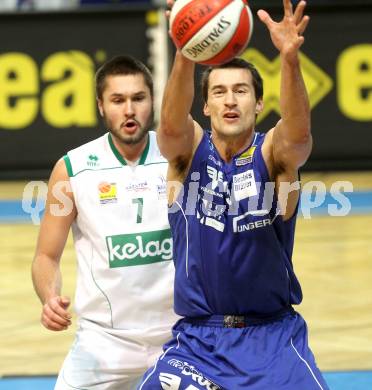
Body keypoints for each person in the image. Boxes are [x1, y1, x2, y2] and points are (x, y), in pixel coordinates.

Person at [138, 1, 330, 389]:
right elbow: (171, 129)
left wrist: (289, 59)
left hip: (272, 340)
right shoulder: (188, 154)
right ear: (205, 105)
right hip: (199, 344)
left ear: (259, 103)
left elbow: (298, 137)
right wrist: (185, 48)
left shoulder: (272, 155)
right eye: (220, 92)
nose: (229, 100)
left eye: (241, 91)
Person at [31, 55, 178, 390]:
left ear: (152, 101)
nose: (129, 110)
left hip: (179, 336)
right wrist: (49, 297)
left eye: (138, 98)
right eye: (117, 100)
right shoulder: (72, 169)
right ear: (101, 105)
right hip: (104, 341)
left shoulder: (179, 155)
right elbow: (45, 257)